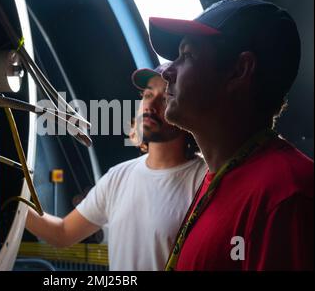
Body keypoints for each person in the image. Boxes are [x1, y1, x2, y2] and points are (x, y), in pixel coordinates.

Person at [149, 0, 314, 270]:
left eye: (187, 55)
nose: (167, 71)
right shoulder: (223, 177)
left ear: (239, 70)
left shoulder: (286, 196)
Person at [25, 64, 207, 270]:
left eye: (165, 98)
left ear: (186, 111)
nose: (150, 105)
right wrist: (10, 196)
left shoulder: (204, 181)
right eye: (147, 95)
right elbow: (62, 234)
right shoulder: (118, 177)